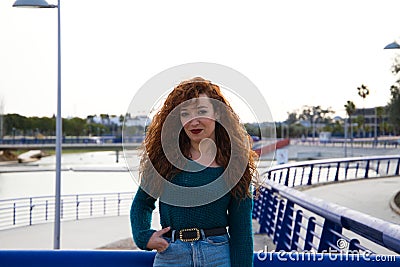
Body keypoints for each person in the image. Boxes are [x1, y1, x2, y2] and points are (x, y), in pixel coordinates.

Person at [130, 77, 259, 266]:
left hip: (218, 255)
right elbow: (142, 204)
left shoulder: (235, 164)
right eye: (185, 114)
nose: (194, 121)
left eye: (202, 111)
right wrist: (143, 236)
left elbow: (241, 230)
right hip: (171, 255)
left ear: (217, 114)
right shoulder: (164, 160)